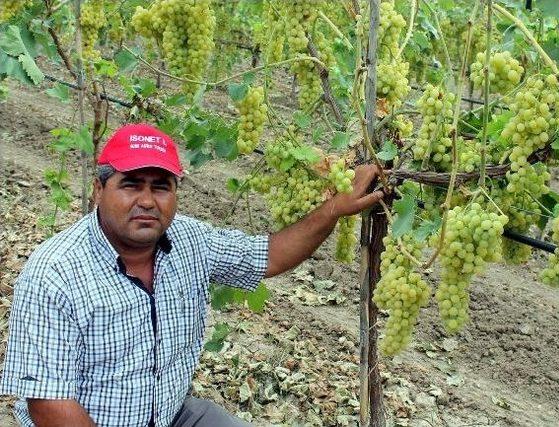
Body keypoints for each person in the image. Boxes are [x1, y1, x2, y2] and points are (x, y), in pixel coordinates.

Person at [0, 123, 384, 427]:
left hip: (168, 416)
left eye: (161, 187)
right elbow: (49, 404)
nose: (147, 201)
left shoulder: (190, 240)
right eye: (131, 185)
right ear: (99, 189)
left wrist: (334, 208)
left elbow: (269, 256)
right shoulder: (55, 274)